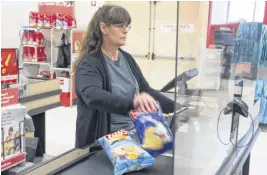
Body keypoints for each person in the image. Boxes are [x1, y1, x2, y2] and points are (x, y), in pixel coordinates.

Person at [73, 4, 176, 148]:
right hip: (107, 141)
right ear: (104, 28)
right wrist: (133, 102)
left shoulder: (127, 58)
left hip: (134, 133)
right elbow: (92, 95)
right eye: (120, 25)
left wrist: (178, 108)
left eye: (127, 25)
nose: (125, 30)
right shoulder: (89, 63)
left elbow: (146, 90)